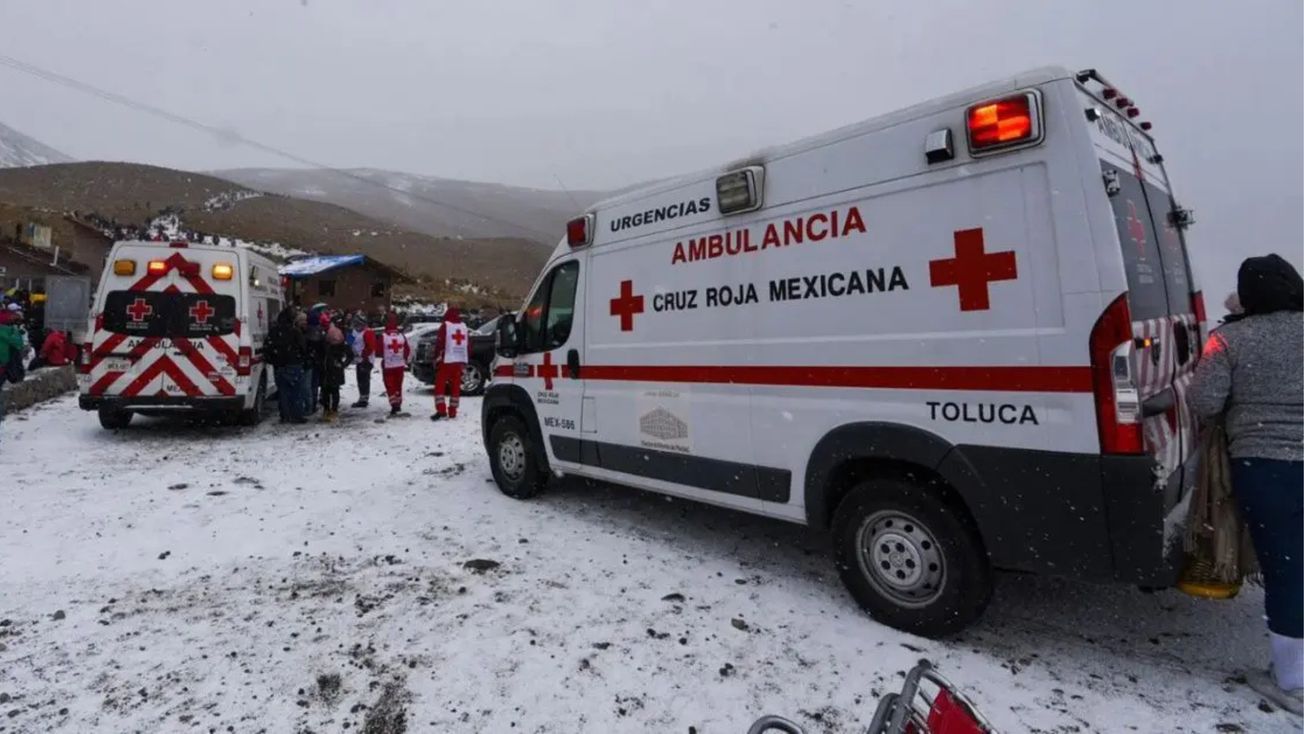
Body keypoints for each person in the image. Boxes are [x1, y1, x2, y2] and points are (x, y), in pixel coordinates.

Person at [1188, 253, 1304, 713]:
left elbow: (1204, 400)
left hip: (1266, 467)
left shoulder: (1229, 340)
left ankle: (1293, 683)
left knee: (1287, 570)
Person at [267, 307, 308, 424]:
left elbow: (268, 347)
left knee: (283, 392)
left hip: (279, 366)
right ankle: (297, 415)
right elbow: (303, 347)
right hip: (293, 364)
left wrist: (274, 360)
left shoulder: (274, 331)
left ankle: (285, 415)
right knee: (296, 391)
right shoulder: (295, 331)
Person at [430, 306, 469, 421]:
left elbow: (440, 343)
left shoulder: (446, 326)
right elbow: (468, 343)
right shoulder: (463, 326)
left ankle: (441, 410)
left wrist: (436, 356)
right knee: (456, 386)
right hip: (459, 360)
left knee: (440, 385)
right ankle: (453, 411)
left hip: (447, 359)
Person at [377, 312, 410, 416]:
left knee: (390, 385)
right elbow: (407, 350)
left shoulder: (384, 336)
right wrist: (402, 357)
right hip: (400, 365)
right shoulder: (401, 336)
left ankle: (394, 404)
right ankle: (398, 402)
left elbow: (378, 350)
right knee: (398, 385)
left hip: (388, 365)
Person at [319, 321, 351, 423]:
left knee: (328, 390)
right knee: (331, 390)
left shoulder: (326, 343)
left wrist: (343, 364)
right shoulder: (339, 343)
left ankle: (330, 409)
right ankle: (331, 410)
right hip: (332, 370)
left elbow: (350, 355)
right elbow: (350, 355)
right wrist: (343, 364)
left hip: (328, 369)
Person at [349, 316, 377, 408]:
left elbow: (370, 347)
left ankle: (364, 399)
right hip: (360, 359)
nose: (356, 326)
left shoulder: (368, 332)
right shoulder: (358, 332)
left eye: (357, 324)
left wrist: (363, 355)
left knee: (364, 380)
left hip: (366, 360)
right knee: (361, 379)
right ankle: (362, 398)